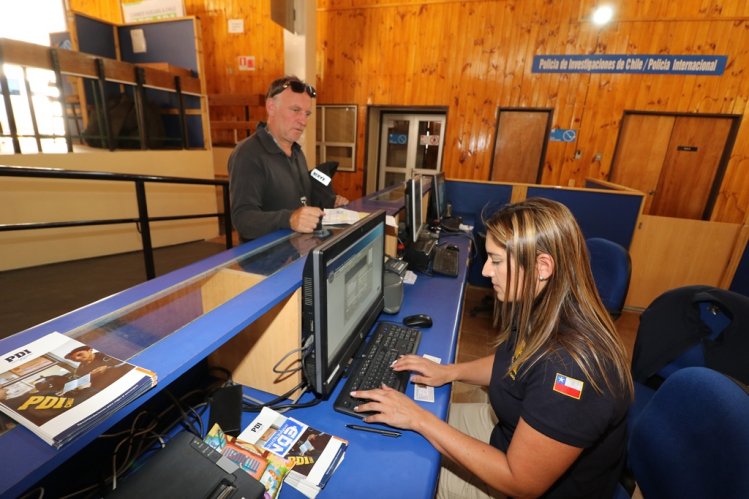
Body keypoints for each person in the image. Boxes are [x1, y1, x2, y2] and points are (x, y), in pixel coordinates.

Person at [352, 198, 634, 498]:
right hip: (510, 432)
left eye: (497, 261)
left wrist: (419, 419)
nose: (486, 272)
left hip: (515, 480)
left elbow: (520, 482)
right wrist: (449, 372)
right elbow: (510, 361)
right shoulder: (545, 306)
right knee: (404, 422)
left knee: (390, 476)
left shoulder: (570, 367)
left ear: (542, 266)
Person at [228, 75, 348, 241]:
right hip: (265, 262)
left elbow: (301, 200)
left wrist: (329, 201)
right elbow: (243, 219)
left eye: (307, 114)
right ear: (271, 107)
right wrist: (289, 219)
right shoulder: (247, 154)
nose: (303, 121)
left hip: (298, 251)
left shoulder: (297, 152)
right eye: (295, 110)